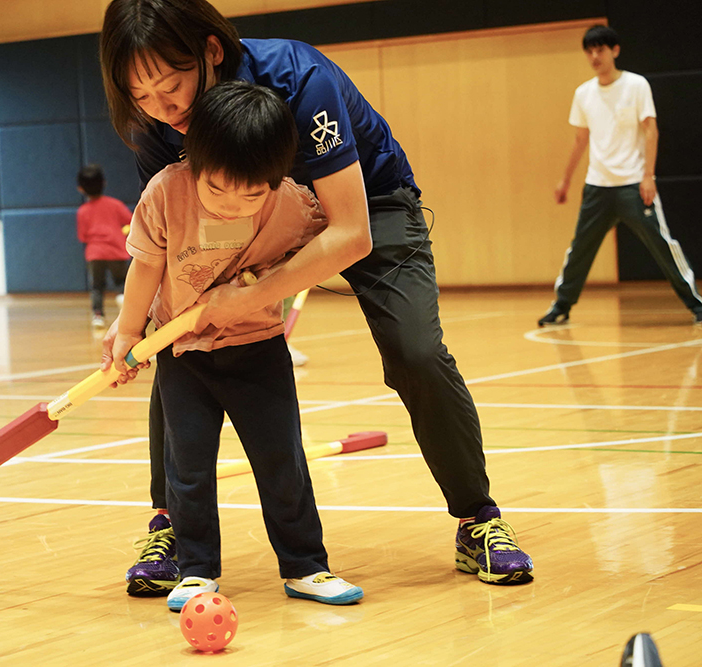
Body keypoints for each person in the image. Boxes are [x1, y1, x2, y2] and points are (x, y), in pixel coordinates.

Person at [101, 0, 534, 594]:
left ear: (211, 51)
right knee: (177, 343)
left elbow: (349, 232)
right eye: (142, 96)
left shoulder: (299, 81)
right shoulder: (155, 126)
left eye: (172, 86)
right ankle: (170, 524)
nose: (163, 109)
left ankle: (477, 520)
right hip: (241, 215)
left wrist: (253, 299)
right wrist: (140, 326)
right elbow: (169, 239)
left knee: (416, 350)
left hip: (366, 207)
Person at [113, 80, 362, 611]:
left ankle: (306, 567)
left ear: (275, 179)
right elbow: (146, 267)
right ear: (195, 162)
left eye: (251, 193)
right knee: (189, 468)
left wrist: (273, 276)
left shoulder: (292, 204)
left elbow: (327, 246)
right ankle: (197, 570)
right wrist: (129, 332)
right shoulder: (165, 193)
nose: (233, 204)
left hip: (259, 349)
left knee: (282, 461)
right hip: (183, 355)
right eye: (218, 189)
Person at [539, 25, 702, 327]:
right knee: (580, 250)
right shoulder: (584, 93)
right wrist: (566, 179)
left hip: (633, 185)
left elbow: (650, 129)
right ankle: (561, 306)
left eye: (600, 49)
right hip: (597, 187)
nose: (594, 56)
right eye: (589, 51)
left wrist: (648, 175)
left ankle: (696, 304)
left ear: (614, 50)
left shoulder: (636, 85)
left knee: (662, 244)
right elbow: (580, 139)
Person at [76, 164, 132, 328]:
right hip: (116, 250)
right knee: (122, 282)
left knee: (97, 287)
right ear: (104, 183)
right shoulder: (115, 204)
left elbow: (82, 236)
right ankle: (123, 299)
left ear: (80, 188)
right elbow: (131, 221)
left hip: (95, 253)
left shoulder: (83, 211)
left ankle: (98, 316)